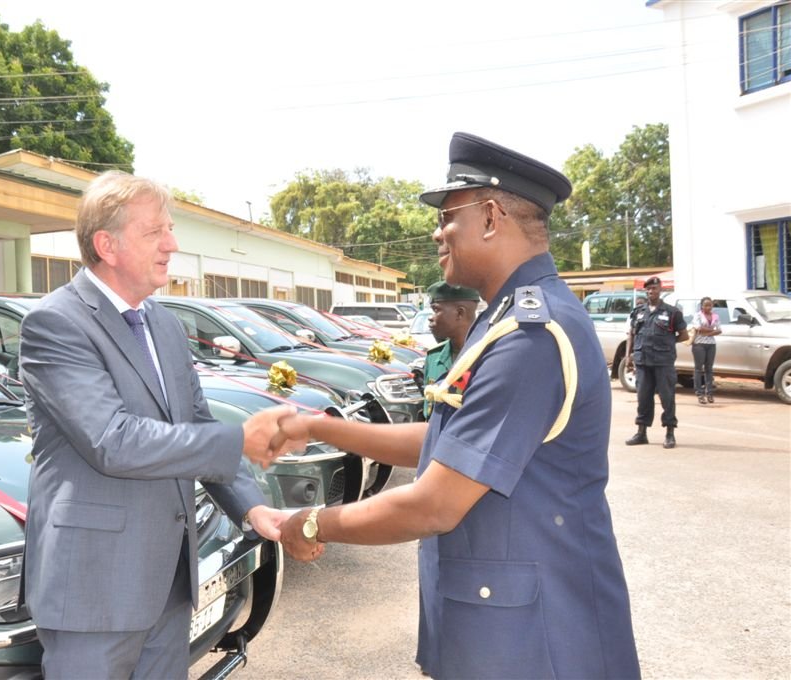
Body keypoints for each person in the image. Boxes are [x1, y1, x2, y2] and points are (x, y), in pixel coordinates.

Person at [273, 132, 640, 679]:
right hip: (504, 625)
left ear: (490, 216)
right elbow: (450, 441)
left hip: (535, 642)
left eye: (449, 216)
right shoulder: (502, 321)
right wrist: (321, 427)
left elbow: (434, 504)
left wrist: (309, 525)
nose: (437, 232)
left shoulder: (529, 338)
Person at [18, 171, 296, 679]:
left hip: (167, 584)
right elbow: (112, 441)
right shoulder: (56, 323)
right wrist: (240, 439)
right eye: (155, 232)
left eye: (169, 230)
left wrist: (253, 508)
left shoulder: (163, 325)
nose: (172, 244)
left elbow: (194, 424)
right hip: (94, 590)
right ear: (108, 244)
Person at [625, 276, 688, 448]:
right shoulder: (639, 312)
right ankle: (641, 433)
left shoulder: (672, 312)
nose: (651, 291)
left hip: (663, 362)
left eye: (654, 288)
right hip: (643, 362)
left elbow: (684, 335)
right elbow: (631, 334)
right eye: (648, 289)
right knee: (643, 397)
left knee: (667, 398)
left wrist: (667, 342)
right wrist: (628, 355)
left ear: (660, 290)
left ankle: (669, 433)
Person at [421, 281, 480, 419]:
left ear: (459, 313)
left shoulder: (488, 355)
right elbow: (428, 412)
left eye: (436, 310)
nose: (430, 317)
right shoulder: (434, 357)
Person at [691, 296, 721, 404]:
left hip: (711, 344)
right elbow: (698, 328)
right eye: (706, 305)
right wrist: (711, 330)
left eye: (710, 305)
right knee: (698, 369)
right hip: (699, 344)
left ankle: (710, 393)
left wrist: (707, 333)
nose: (708, 307)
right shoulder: (697, 315)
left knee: (709, 368)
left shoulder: (715, 316)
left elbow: (719, 330)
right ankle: (699, 393)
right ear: (702, 306)